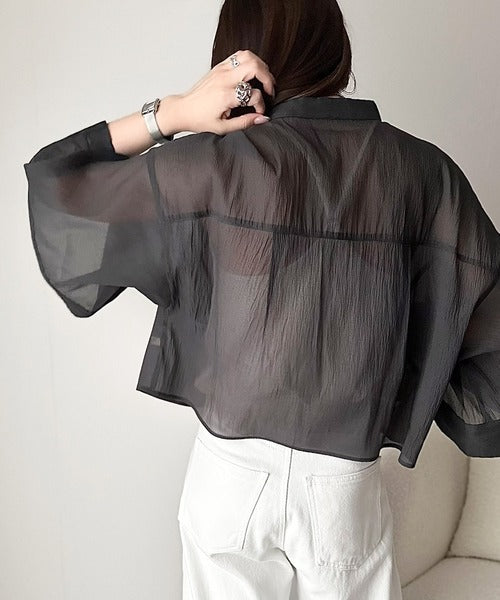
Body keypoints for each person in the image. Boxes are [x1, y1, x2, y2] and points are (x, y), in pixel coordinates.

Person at [23, 0, 500, 598]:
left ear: (237, 60)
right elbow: (485, 320)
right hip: (343, 492)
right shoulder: (424, 175)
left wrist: (174, 112)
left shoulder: (213, 167)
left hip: (230, 482)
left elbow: (57, 184)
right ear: (336, 52)